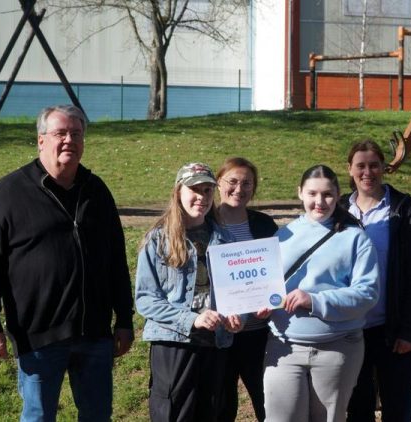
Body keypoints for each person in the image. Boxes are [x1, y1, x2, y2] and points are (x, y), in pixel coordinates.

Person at [0, 104, 135, 421]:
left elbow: (116, 261)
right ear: (41, 140)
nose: (69, 140)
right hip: (38, 337)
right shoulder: (10, 192)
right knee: (38, 417)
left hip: (95, 334)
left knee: (98, 417)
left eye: (76, 134)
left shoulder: (96, 191)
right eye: (61, 133)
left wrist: (124, 319)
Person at [259, 164, 379, 422]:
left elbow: (368, 293)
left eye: (327, 194)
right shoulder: (283, 236)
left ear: (338, 195)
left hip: (338, 348)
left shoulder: (355, 238)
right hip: (284, 347)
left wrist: (314, 300)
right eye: (312, 193)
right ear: (300, 193)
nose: (319, 202)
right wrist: (262, 303)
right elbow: (267, 286)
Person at [135, 162, 244, 422]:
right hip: (174, 344)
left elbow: (239, 293)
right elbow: (145, 299)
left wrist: (239, 316)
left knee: (214, 413)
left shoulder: (226, 239)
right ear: (178, 192)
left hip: (216, 344)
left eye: (208, 190)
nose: (202, 197)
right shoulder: (158, 240)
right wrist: (192, 319)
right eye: (195, 189)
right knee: (174, 414)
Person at [341, 140, 411, 422]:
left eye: (374, 165)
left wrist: (410, 330)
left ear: (384, 168)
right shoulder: (339, 210)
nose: (367, 172)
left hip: (392, 328)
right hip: (351, 329)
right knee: (358, 406)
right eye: (361, 166)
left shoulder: (402, 209)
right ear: (350, 169)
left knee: (398, 406)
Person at [215, 157, 278, 422]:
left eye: (247, 184)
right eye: (232, 181)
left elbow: (276, 273)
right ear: (218, 182)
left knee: (269, 405)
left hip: (258, 333)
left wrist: (271, 303)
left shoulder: (265, 225)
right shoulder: (204, 222)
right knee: (221, 407)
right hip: (217, 335)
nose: (239, 189)